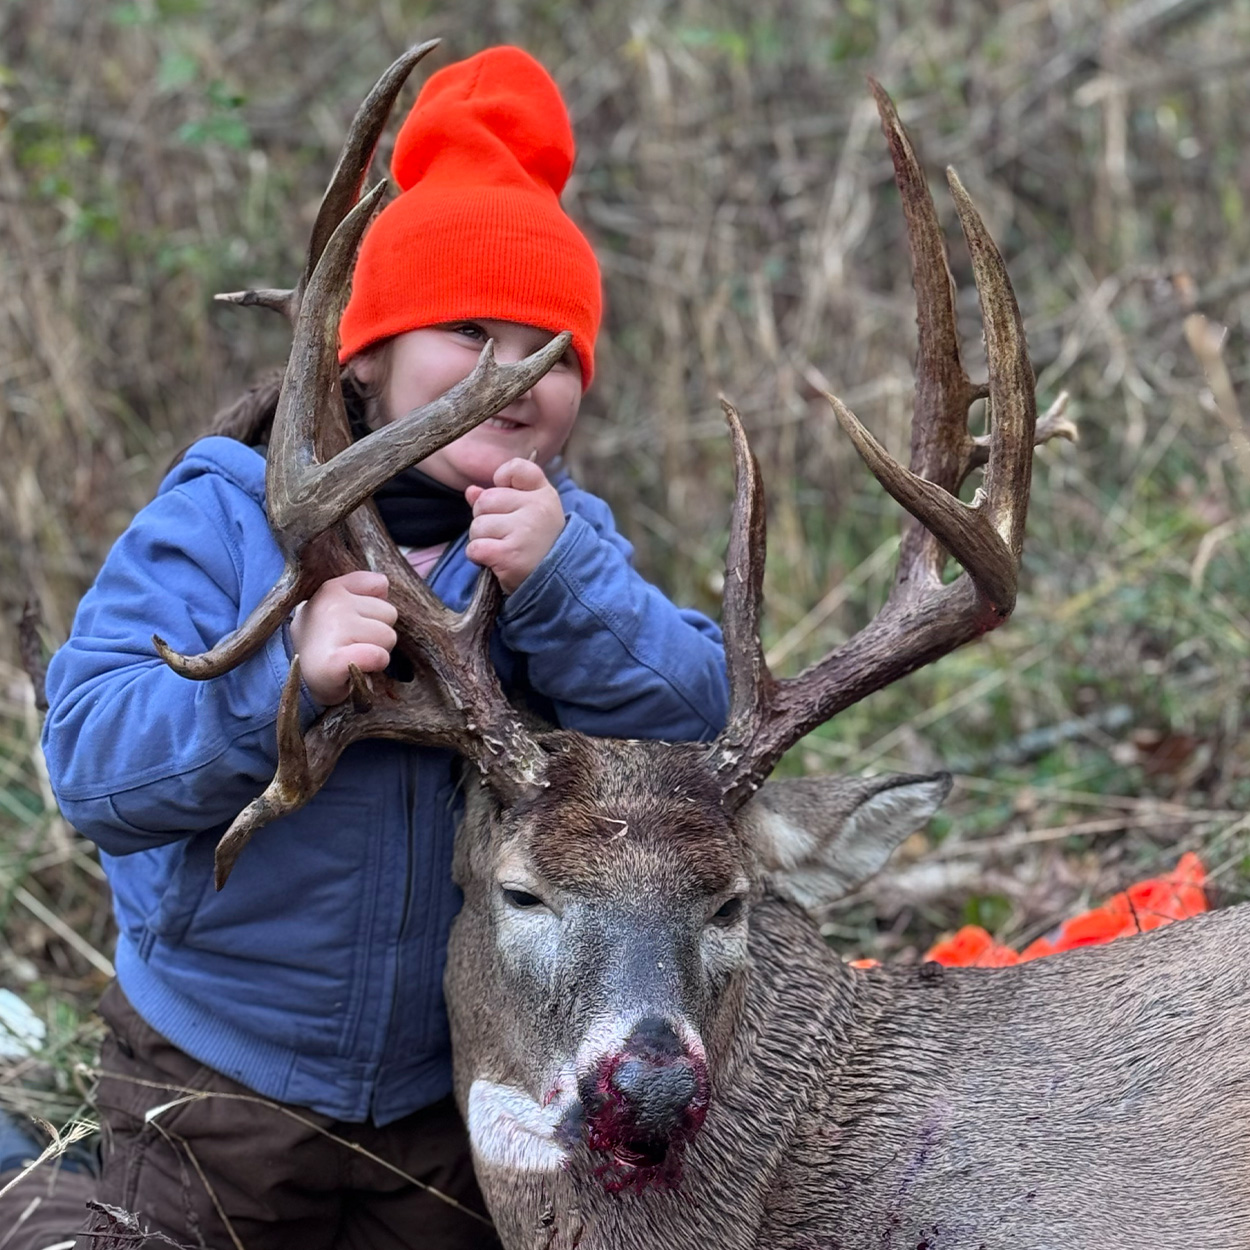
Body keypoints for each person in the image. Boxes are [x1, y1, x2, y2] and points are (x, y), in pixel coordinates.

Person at [10, 45, 728, 1250]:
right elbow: (92, 766)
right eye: (465, 330)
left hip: (456, 1088)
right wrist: (271, 684)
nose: (512, 376)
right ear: (364, 353)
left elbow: (689, 717)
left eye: (550, 346)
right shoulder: (221, 516)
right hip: (214, 1076)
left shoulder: (563, 541)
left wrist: (560, 584)